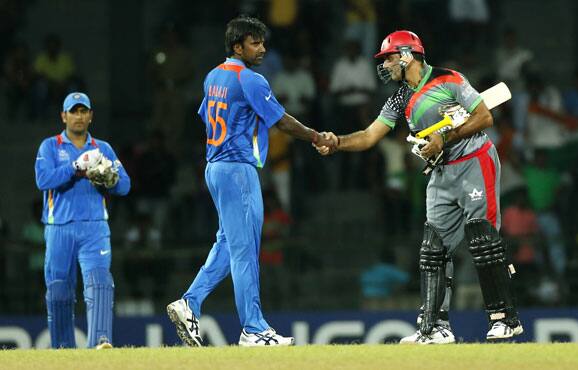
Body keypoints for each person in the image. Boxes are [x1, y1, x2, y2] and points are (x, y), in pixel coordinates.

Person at [314, 30, 522, 344]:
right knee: (432, 250)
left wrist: (445, 137)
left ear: (408, 55)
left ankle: (505, 319)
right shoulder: (400, 98)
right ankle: (435, 327)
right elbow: (370, 136)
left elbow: (484, 118)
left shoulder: (449, 79)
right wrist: (338, 142)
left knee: (482, 239)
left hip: (474, 161)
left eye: (389, 58)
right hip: (440, 171)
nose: (385, 65)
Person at [166, 16, 336, 347]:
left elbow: (205, 116)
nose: (262, 48)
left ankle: (189, 303)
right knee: (246, 251)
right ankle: (253, 329)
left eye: (262, 42)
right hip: (237, 169)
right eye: (254, 42)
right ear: (237, 46)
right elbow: (282, 122)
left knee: (229, 244)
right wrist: (316, 137)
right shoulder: (251, 80)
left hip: (214, 167)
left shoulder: (213, 76)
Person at [34, 92, 131, 349]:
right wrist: (75, 167)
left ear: (90, 116)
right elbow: (43, 181)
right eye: (73, 111)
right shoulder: (50, 146)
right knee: (59, 290)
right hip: (59, 228)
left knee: (99, 282)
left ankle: (100, 341)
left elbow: (125, 186)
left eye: (83, 111)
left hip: (95, 227)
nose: (78, 116)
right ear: (63, 116)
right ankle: (63, 348)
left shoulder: (103, 148)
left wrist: (110, 178)